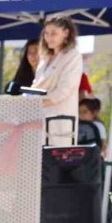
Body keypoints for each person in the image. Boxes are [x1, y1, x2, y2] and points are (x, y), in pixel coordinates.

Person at [31, 15, 83, 146]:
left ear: (66, 33)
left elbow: (63, 91)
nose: (49, 37)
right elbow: (36, 85)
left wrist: (36, 104)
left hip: (59, 120)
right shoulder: (45, 57)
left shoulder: (73, 56)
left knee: (55, 156)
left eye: (54, 33)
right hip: (37, 119)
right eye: (46, 33)